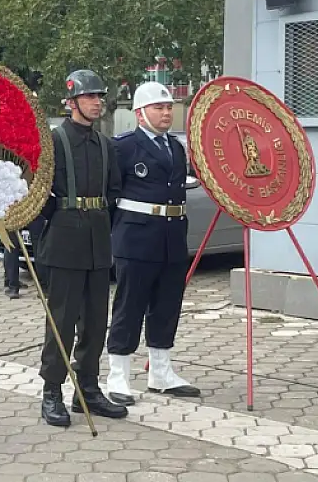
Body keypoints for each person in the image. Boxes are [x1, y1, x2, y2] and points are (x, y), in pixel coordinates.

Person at [35, 68, 127, 427]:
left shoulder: (105, 144)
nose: (96, 102)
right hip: (64, 241)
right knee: (61, 321)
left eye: (99, 96)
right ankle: (51, 391)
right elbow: (38, 194)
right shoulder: (54, 142)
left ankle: (87, 389)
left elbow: (114, 191)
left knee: (95, 321)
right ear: (71, 101)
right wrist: (57, 221)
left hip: (97, 241)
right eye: (90, 97)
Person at [104, 82, 201, 405]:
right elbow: (109, 196)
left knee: (166, 306)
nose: (166, 113)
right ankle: (118, 375)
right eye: (159, 108)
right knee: (129, 306)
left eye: (169, 107)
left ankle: (161, 373)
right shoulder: (124, 147)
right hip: (137, 238)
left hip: (172, 237)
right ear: (140, 113)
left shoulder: (176, 148)